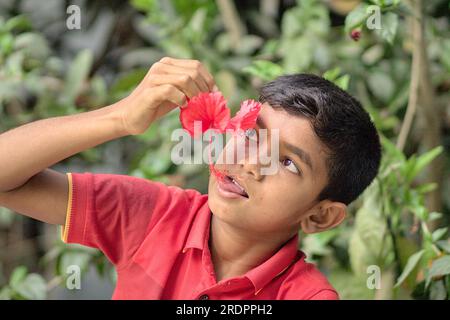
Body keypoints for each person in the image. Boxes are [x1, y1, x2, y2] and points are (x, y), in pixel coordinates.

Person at [0, 57, 381, 299]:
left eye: (287, 163)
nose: (251, 164)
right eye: (250, 135)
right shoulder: (153, 215)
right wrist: (120, 117)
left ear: (320, 216)